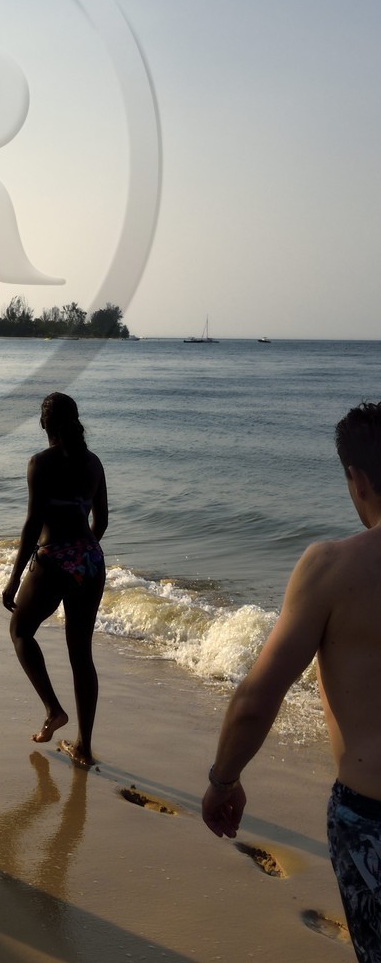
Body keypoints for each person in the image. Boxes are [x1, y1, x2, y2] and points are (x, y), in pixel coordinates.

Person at [202, 401, 381, 962]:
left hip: (371, 818)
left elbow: (257, 700)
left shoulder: (331, 567)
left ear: (355, 478)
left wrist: (223, 780)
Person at [2, 391, 108, 767]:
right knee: (82, 655)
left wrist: (14, 579)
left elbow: (32, 525)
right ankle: (84, 746)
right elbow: (102, 523)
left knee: (20, 630)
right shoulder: (94, 463)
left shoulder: (39, 463)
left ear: (44, 423)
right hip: (91, 561)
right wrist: (82, 553)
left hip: (53, 558)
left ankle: (53, 710)